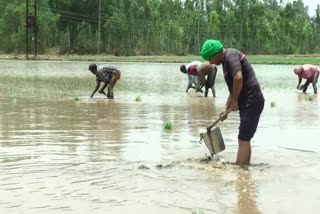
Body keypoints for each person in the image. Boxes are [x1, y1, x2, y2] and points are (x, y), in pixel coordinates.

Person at [200, 39, 265, 165]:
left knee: (243, 138)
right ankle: (244, 171)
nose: (211, 62)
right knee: (244, 138)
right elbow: (234, 88)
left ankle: (240, 168)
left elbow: (239, 78)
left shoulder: (231, 56)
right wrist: (226, 107)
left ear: (216, 53)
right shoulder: (225, 61)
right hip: (248, 101)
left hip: (252, 100)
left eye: (210, 58)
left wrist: (235, 100)